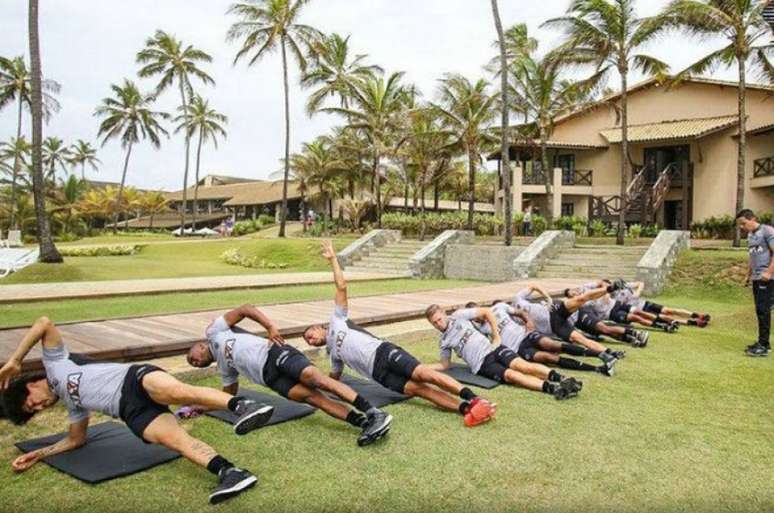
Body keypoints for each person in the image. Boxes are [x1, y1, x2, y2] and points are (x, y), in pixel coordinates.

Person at [0, 317, 273, 505]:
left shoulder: (55, 363)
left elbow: (44, 323)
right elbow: (76, 439)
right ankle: (232, 473)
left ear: (30, 384)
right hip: (130, 410)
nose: (38, 407)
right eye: (33, 412)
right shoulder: (72, 405)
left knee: (177, 392)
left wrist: (15, 360)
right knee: (173, 440)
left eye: (31, 403)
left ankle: (244, 406)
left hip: (133, 379)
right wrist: (39, 453)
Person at [303, 241, 496, 426]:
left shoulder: (337, 320)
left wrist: (333, 260)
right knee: (421, 391)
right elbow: (333, 380)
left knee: (425, 374)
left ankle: (475, 399)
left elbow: (341, 286)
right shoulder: (333, 356)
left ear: (318, 327)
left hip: (383, 352)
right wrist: (313, 383)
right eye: (308, 341)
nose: (311, 340)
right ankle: (466, 409)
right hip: (378, 374)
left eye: (310, 333)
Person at [186, 304, 393, 446]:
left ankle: (374, 412)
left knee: (318, 380)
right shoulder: (224, 368)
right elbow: (228, 395)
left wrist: (270, 327)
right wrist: (202, 407)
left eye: (192, 357)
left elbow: (245, 309)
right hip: (270, 379)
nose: (194, 363)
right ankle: (364, 423)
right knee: (314, 399)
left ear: (200, 345)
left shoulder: (214, 332)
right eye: (193, 364)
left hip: (274, 353)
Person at [425, 304, 582, 400]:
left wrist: (496, 335)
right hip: (482, 364)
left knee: (524, 366)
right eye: (434, 323)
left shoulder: (459, 316)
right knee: (511, 375)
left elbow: (487, 312)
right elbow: (444, 365)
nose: (438, 324)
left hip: (494, 348)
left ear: (444, 313)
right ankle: (553, 388)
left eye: (439, 319)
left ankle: (564, 379)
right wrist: (421, 368)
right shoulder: (444, 341)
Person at [467, 301, 616, 376]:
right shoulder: (480, 329)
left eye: (477, 313)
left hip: (526, 335)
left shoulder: (498, 307)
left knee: (553, 345)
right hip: (518, 349)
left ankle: (601, 355)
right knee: (549, 358)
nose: (478, 317)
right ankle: (598, 369)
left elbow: (521, 313)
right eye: (473, 316)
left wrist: (529, 322)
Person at [513, 283, 627, 361]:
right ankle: (611, 352)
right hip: (555, 326)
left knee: (580, 299)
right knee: (580, 339)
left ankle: (610, 288)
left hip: (553, 309)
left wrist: (547, 297)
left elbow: (534, 286)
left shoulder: (517, 299)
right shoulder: (513, 322)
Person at [737, 209, 774, 356]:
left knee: (764, 310)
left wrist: (769, 272)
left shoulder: (767, 231)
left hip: (768, 278)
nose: (742, 227)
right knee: (760, 310)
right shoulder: (751, 236)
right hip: (757, 278)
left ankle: (763, 346)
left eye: (743, 223)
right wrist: (748, 275)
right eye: (740, 224)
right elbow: (752, 258)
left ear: (753, 219)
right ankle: (763, 342)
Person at [611, 280, 710, 327]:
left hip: (645, 303)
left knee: (669, 310)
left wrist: (638, 292)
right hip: (640, 311)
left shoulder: (625, 286)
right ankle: (694, 323)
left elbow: (641, 283)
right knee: (664, 317)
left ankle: (697, 315)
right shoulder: (613, 299)